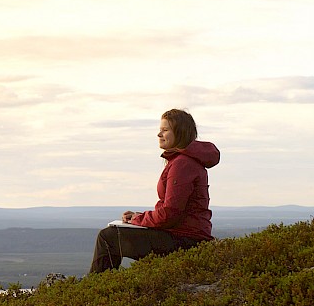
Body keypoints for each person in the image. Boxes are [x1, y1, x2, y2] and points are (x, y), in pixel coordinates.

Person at [89, 109, 220, 274]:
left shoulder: (182, 164)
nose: (159, 134)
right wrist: (139, 217)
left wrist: (139, 219)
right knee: (111, 236)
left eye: (165, 130)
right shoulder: (185, 161)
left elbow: (170, 214)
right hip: (187, 236)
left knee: (108, 237)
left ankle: (96, 289)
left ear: (179, 133)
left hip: (185, 240)